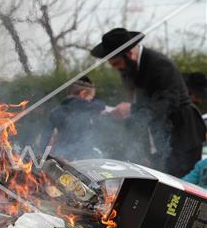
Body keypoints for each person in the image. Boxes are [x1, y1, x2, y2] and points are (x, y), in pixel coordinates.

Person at [90, 28, 206, 177]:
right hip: (158, 138)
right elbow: (141, 109)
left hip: (183, 134)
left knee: (182, 183)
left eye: (117, 63)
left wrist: (131, 109)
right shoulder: (129, 70)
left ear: (129, 54)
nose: (116, 68)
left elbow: (167, 102)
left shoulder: (159, 64)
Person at [49, 76, 106, 161]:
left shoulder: (55, 111)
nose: (90, 101)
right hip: (82, 158)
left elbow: (50, 138)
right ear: (83, 93)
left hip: (61, 156)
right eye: (90, 98)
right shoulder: (85, 106)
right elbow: (101, 105)